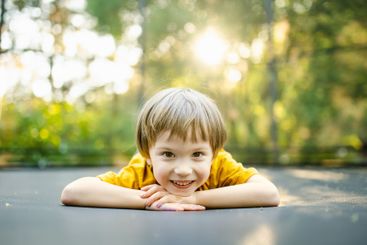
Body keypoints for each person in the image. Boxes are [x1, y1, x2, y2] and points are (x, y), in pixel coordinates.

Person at [61, 88, 280, 211]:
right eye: (168, 154)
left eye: (197, 154)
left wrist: (191, 200)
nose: (183, 169)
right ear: (148, 154)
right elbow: (73, 191)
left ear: (213, 153)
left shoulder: (220, 163)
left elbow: (269, 193)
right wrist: (153, 200)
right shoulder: (141, 170)